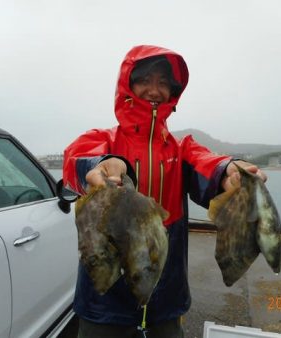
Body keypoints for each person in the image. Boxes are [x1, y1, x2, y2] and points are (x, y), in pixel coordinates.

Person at [63, 45, 266, 338]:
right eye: (145, 80)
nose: (153, 89)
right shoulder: (102, 140)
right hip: (104, 296)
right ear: (127, 86)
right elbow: (75, 160)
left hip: (165, 295)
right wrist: (103, 164)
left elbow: (207, 164)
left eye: (162, 82)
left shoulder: (181, 149)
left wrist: (230, 172)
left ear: (173, 91)